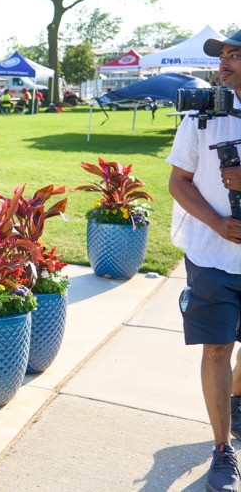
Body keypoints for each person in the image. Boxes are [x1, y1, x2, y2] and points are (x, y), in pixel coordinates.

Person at [168, 28, 241, 492]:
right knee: (217, 348)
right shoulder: (202, 116)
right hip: (212, 255)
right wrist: (217, 223)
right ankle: (222, 449)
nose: (224, 63)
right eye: (223, 56)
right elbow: (178, 182)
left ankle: (236, 397)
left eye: (236, 56)